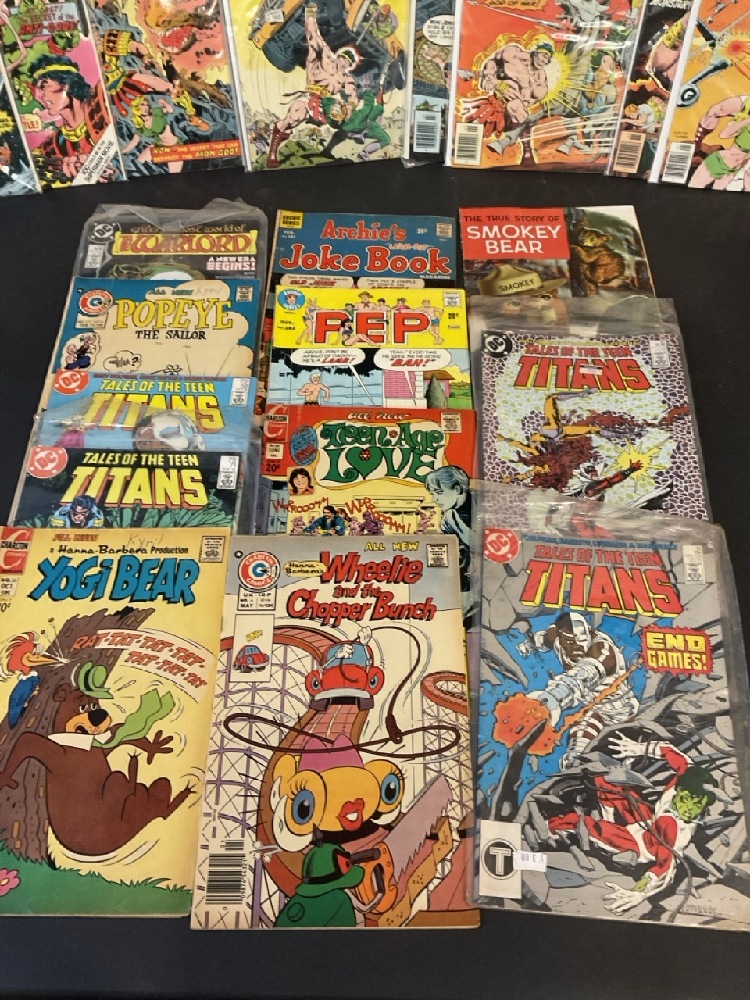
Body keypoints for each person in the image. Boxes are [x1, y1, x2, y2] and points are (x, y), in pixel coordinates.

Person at [526, 611, 639, 768]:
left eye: (582, 640)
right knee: (576, 755)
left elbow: (581, 678)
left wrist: (553, 697)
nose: (577, 647)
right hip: (593, 710)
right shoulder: (555, 636)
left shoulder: (603, 650)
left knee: (626, 760)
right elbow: (543, 639)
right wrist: (529, 645)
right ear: (561, 638)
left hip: (620, 711)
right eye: (571, 642)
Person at [266, 4, 361, 168]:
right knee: (294, 116)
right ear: (339, 56)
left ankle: (330, 150)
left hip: (325, 106)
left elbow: (353, 96)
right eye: (343, 59)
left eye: (348, 64)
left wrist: (349, 108)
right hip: (308, 97)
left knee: (345, 122)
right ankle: (274, 150)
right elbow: (313, 34)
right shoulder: (325, 55)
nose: (344, 63)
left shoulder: (345, 78)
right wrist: (310, 14)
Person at [690, 94, 750, 191]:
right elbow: (724, 134)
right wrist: (746, 121)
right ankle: (697, 145)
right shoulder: (745, 127)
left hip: (733, 169)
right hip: (720, 161)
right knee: (717, 109)